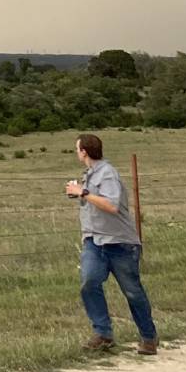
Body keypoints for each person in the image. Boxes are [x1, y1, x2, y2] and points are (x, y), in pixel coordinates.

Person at [64, 133, 158, 355]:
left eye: (77, 149)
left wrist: (83, 193)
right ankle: (103, 334)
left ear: (84, 151)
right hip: (94, 241)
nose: (76, 153)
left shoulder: (107, 174)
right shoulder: (89, 174)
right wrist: (79, 192)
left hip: (120, 244)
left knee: (132, 291)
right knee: (89, 283)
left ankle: (148, 337)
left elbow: (112, 205)